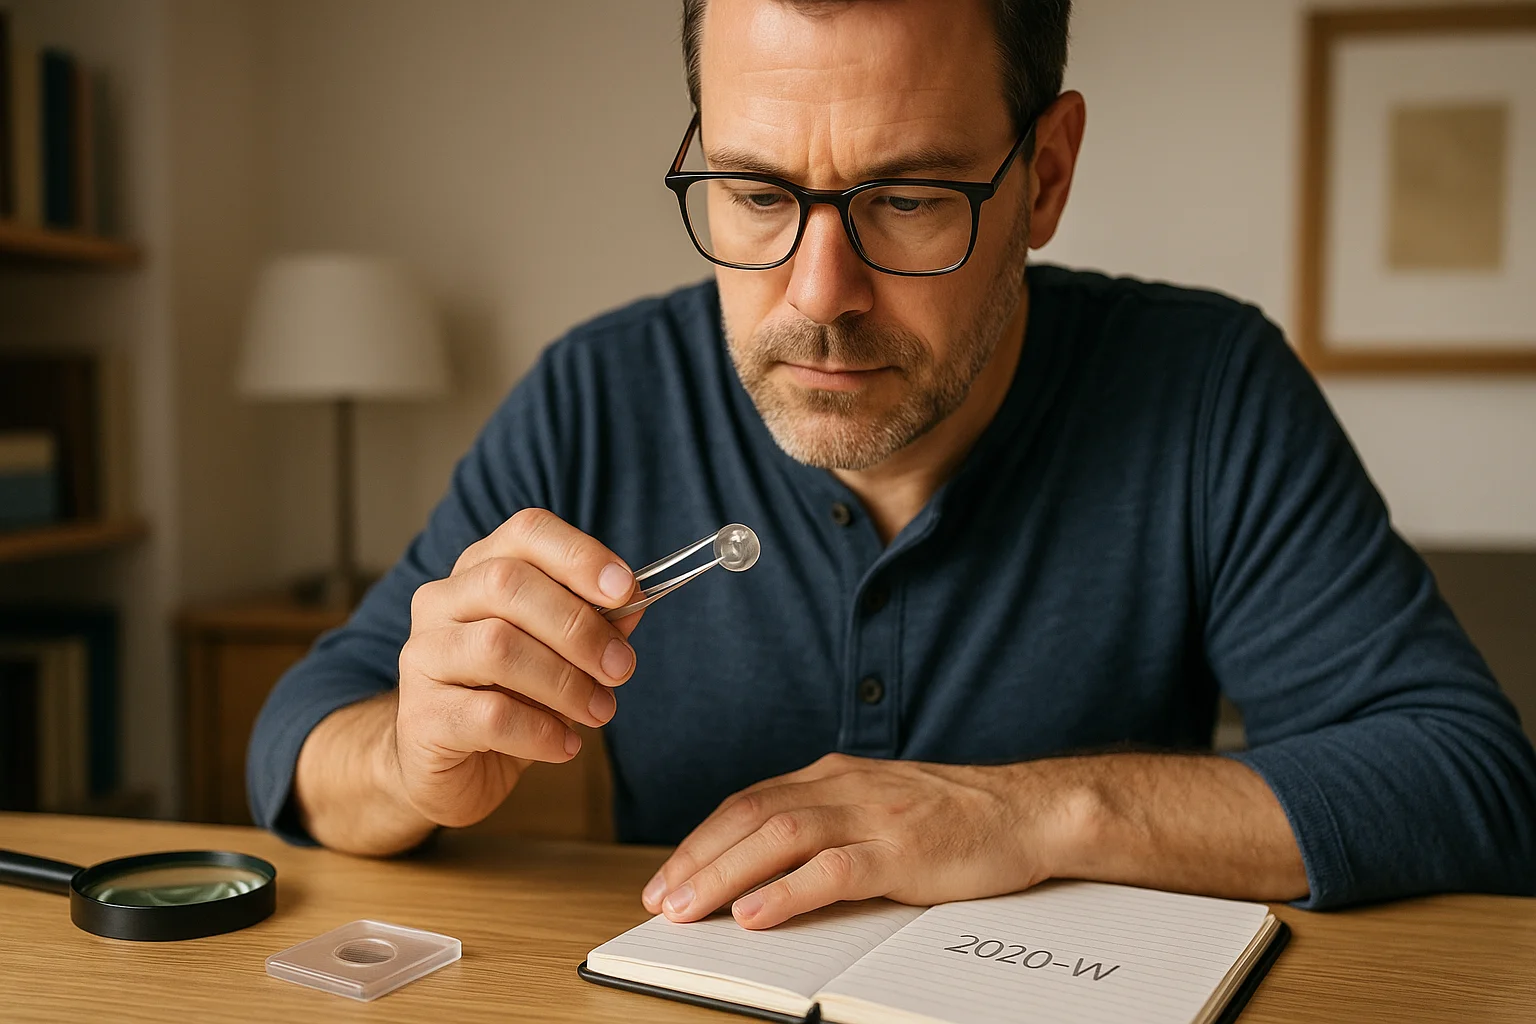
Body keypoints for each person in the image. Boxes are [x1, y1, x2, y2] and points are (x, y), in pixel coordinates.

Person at [247, 0, 1536, 931]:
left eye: (908, 200)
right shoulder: (598, 390)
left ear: (1045, 175)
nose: (819, 295)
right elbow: (305, 734)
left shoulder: (1207, 390)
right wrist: (409, 760)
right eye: (754, 195)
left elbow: (1471, 783)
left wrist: (1026, 816)